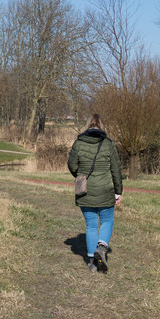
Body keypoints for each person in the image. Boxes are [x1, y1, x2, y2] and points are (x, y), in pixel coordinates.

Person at [67, 114, 124, 272]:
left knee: (91, 225)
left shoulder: (78, 143)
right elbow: (116, 170)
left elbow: (72, 165)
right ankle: (102, 246)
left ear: (87, 126)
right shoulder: (108, 144)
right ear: (101, 126)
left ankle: (92, 261)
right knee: (107, 221)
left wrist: (81, 176)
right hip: (105, 190)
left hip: (85, 191)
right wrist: (118, 191)